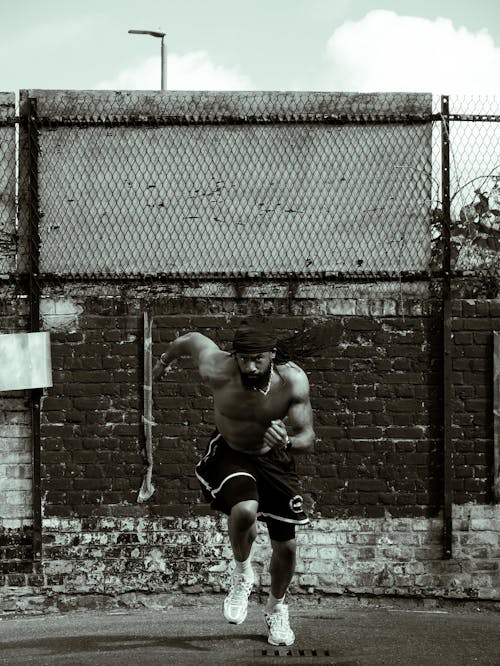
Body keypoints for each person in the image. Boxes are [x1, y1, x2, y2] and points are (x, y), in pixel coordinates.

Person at [153, 320, 315, 646]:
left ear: (272, 355)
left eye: (258, 359)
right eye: (244, 358)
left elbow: (308, 437)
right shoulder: (218, 369)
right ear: (235, 355)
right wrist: (163, 362)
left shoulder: (293, 382)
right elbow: (191, 339)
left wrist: (286, 443)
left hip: (275, 460)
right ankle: (242, 573)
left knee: (287, 546)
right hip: (231, 452)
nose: (250, 366)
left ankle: (276, 608)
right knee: (244, 510)